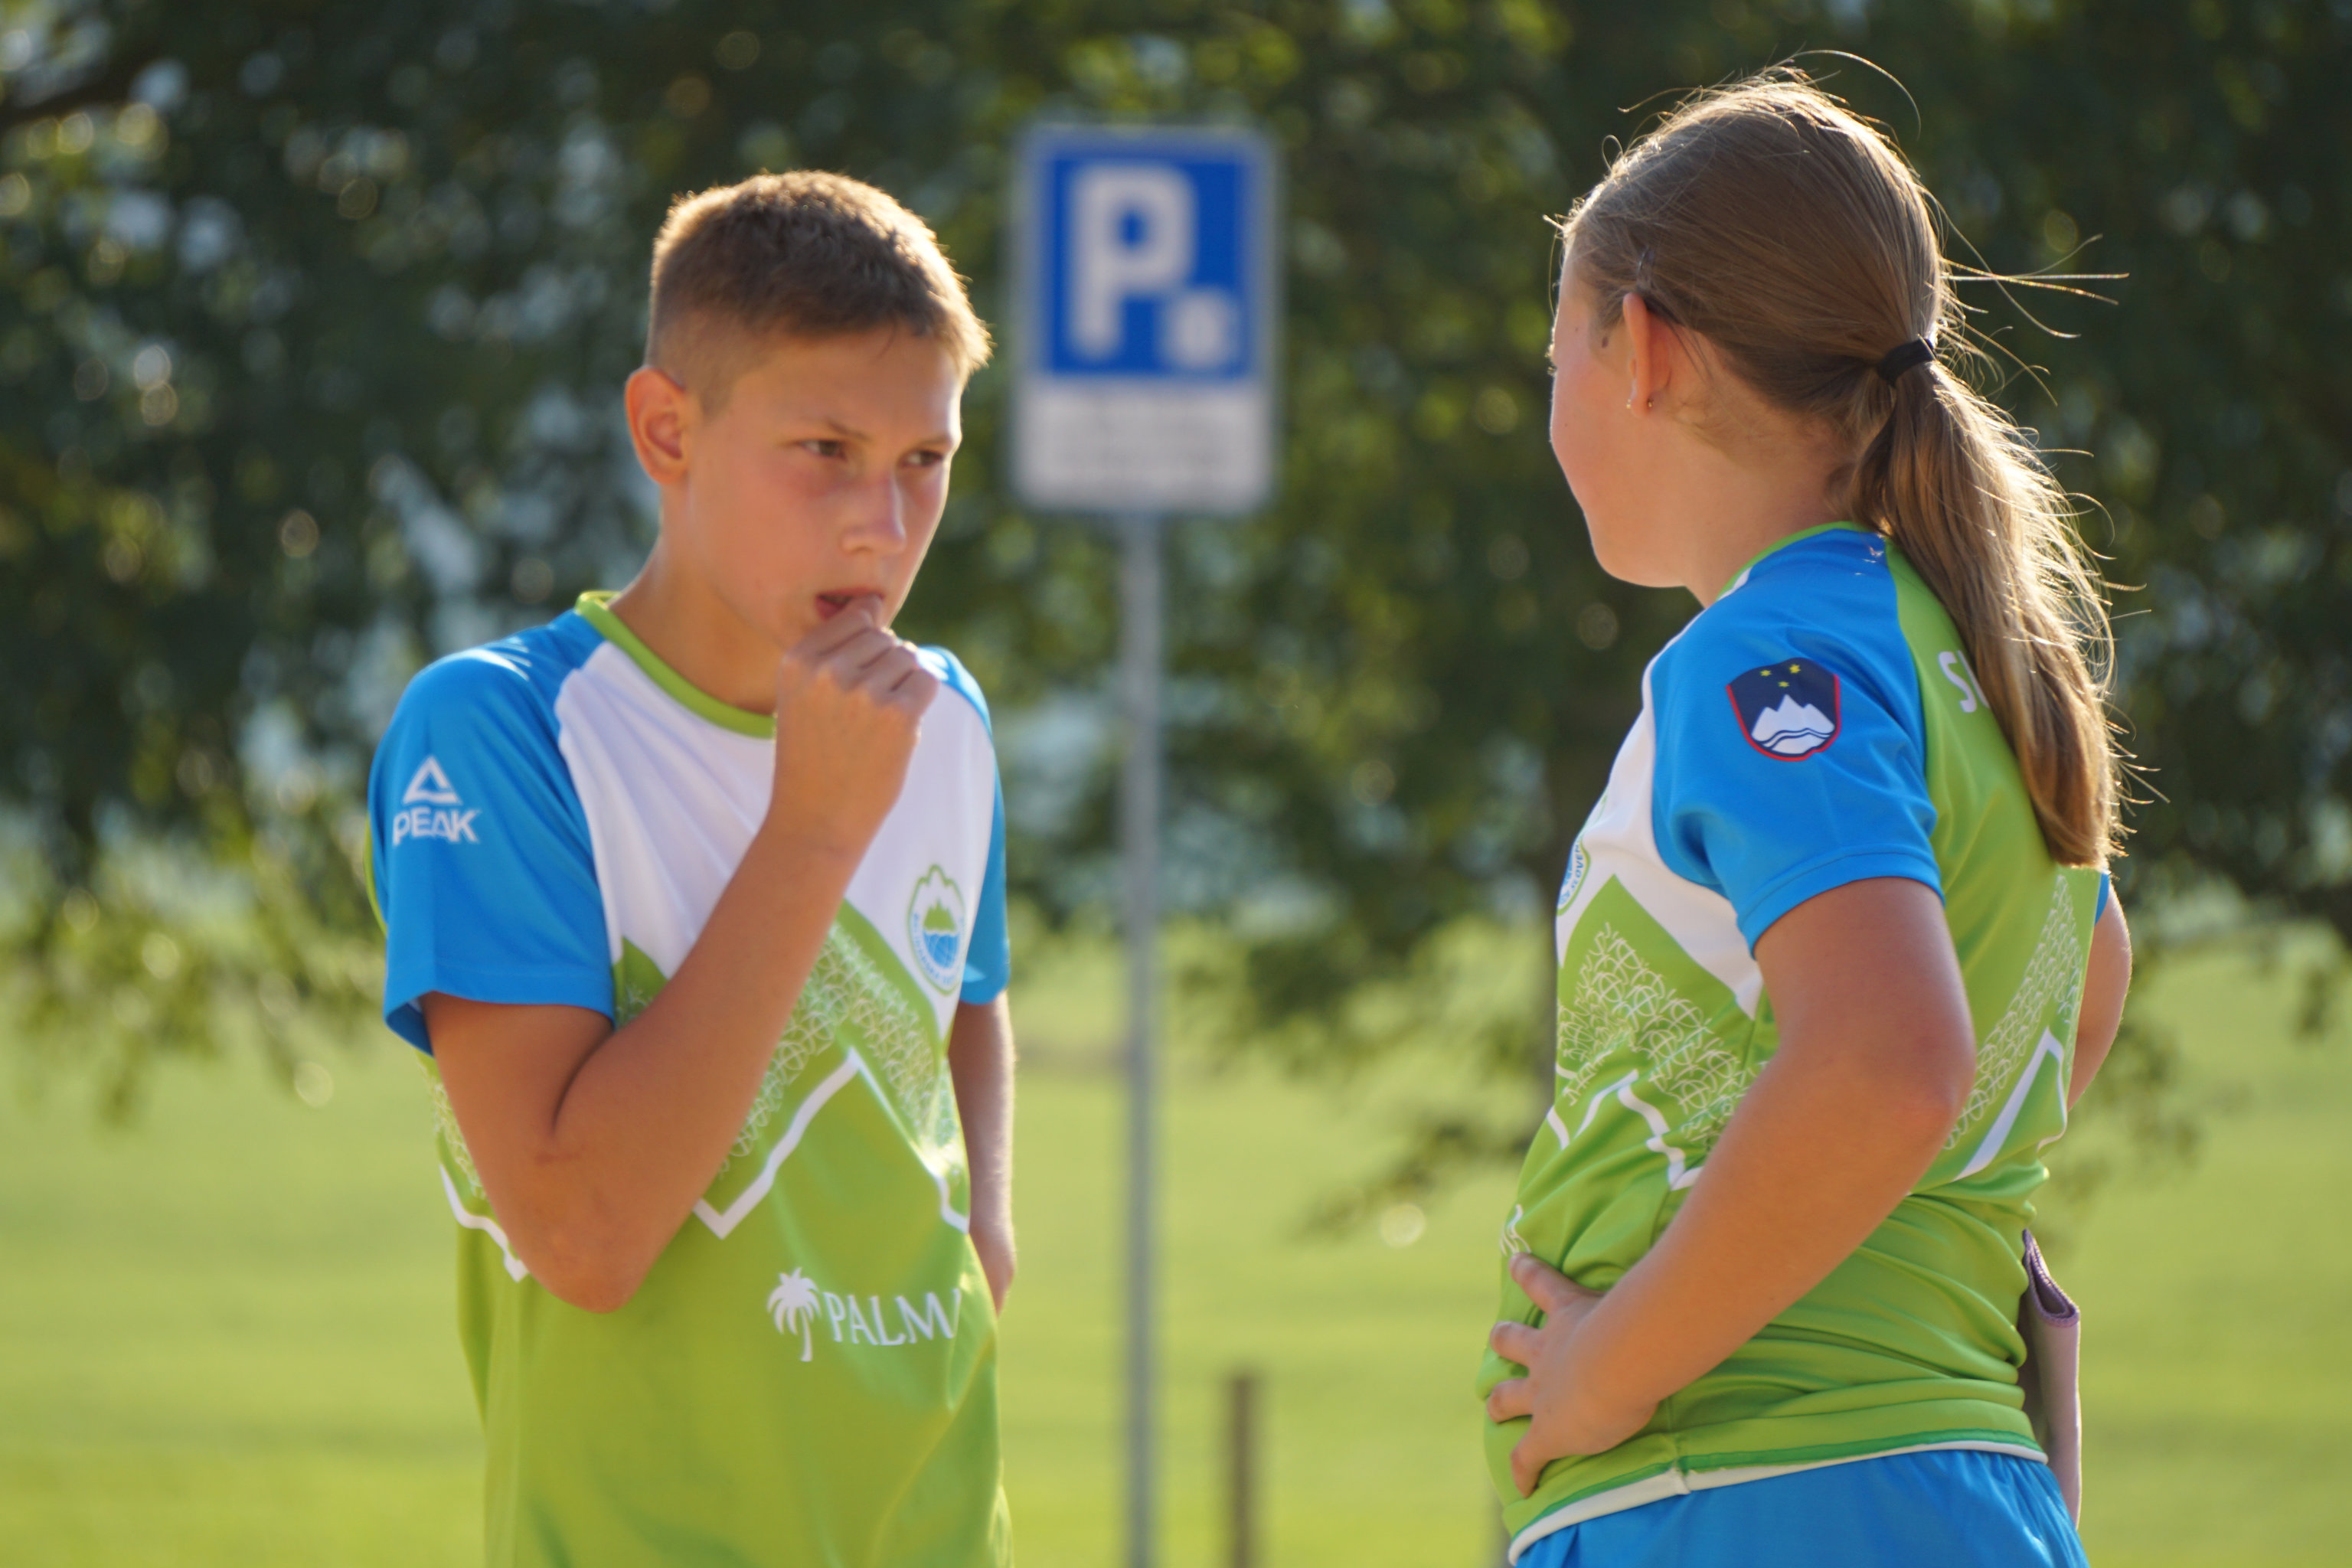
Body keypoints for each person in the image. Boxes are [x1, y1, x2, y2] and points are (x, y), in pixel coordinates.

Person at [1477, 72, 2133, 1567]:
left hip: (1747, 1496)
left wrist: (1609, 1368)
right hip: (1954, 1490)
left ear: (1644, 350)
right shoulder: (1962, 650)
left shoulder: (1765, 661)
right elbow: (2086, 983)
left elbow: (1891, 1062)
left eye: (1557, 352)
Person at [367, 171, 1014, 1567]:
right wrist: (811, 833)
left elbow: (969, 994)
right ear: (667, 430)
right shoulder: (500, 732)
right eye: (825, 449)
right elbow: (585, 1239)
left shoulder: (946, 718)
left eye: (925, 459)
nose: (883, 524)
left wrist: (988, 1226)